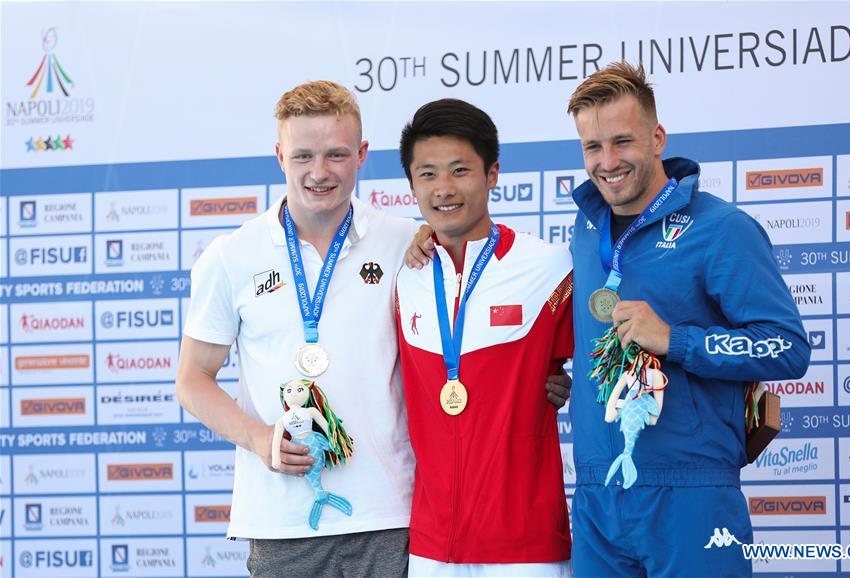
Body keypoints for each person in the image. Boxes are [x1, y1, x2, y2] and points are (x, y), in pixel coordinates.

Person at [175, 80, 571, 577]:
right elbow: (192, 379)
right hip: (280, 521)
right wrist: (258, 439)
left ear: (361, 154)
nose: (320, 173)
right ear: (279, 156)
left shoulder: (410, 241)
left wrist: (549, 376)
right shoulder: (229, 257)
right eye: (303, 156)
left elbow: (481, 313)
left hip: (392, 516)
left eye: (336, 155)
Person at [566, 62, 811, 577]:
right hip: (597, 493)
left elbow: (787, 346)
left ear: (657, 138)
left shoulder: (721, 228)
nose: (607, 162)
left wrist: (676, 340)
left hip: (692, 493)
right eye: (593, 147)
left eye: (622, 142)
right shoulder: (586, 228)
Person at [396, 98, 574, 577]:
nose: (444, 189)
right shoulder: (398, 273)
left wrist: (563, 380)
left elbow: (610, 359)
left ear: (492, 174)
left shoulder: (552, 267)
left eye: (460, 170)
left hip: (526, 548)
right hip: (431, 549)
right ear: (411, 184)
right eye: (427, 174)